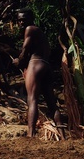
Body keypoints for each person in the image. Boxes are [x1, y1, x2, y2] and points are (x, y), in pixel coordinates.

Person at [12, 8, 62, 137]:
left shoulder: (30, 29)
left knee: (32, 99)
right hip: (46, 65)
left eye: (24, 20)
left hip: (35, 65)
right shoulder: (40, 33)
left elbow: (25, 49)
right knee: (51, 101)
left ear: (30, 19)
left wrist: (19, 61)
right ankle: (62, 134)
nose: (21, 23)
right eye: (19, 20)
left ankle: (31, 133)